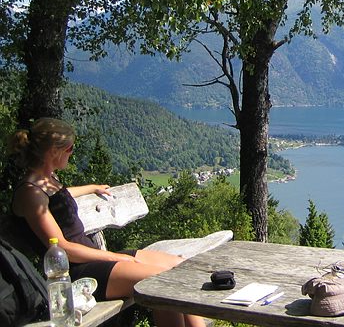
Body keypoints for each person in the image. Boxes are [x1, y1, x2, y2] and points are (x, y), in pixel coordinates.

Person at [9, 118, 205, 327]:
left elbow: (61, 196)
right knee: (160, 283)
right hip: (76, 273)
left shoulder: (47, 180)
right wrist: (115, 256)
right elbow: (63, 248)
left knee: (180, 267)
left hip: (93, 258)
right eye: (70, 148)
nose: (72, 153)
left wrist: (92, 187)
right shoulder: (30, 193)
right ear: (53, 152)